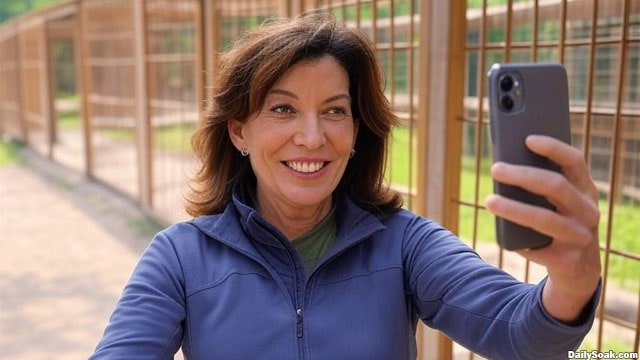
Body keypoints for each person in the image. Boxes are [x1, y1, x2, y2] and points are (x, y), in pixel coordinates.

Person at [90, 14, 601, 360]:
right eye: (282, 108)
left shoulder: (405, 244)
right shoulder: (179, 258)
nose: (312, 137)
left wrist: (573, 284)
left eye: (335, 110)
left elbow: (519, 331)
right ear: (239, 130)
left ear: (358, 131)